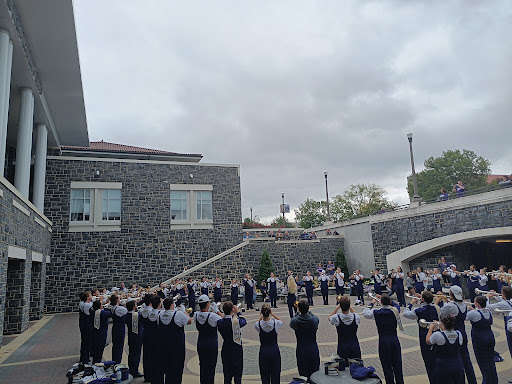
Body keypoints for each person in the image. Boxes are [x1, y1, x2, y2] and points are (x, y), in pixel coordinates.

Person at [436, 285, 477, 384]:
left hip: (454, 334)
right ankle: (472, 381)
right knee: (466, 360)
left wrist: (438, 301)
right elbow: (454, 305)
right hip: (463, 333)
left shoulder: (450, 306)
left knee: (456, 359)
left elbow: (440, 314)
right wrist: (447, 300)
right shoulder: (463, 304)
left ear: (452, 295)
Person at [362, 295, 404, 384]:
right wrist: (387, 300)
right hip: (394, 340)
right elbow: (396, 305)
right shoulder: (394, 311)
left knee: (386, 365)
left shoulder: (376, 312)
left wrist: (372, 303)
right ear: (389, 302)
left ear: (380, 302)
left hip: (383, 341)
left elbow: (365, 313)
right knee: (397, 365)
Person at [403, 291, 440, 384]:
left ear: (423, 299)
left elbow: (406, 313)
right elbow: (433, 307)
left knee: (428, 361)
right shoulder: (437, 308)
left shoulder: (418, 311)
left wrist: (411, 303)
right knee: (437, 359)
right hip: (437, 335)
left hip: (424, 336)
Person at [157, 297, 193, 384]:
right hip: (177, 347)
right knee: (177, 369)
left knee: (167, 367)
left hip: (164, 345)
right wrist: (184, 311)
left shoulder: (160, 314)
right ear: (172, 305)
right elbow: (189, 321)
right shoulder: (178, 314)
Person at [466, 296, 498, 384]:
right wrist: (472, 308)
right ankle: (494, 381)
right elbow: (479, 313)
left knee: (483, 362)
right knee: (491, 361)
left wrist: (467, 307)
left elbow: (464, 317)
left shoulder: (473, 313)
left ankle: (486, 382)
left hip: (479, 339)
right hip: (490, 337)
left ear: (477, 304)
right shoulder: (488, 311)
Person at [426, 313, 464, 384]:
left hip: (443, 366)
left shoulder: (438, 335)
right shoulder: (459, 334)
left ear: (442, 323)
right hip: (458, 364)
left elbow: (428, 341)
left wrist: (431, 328)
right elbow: (450, 335)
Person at [194, 295, 222, 384]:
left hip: (201, 343)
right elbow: (222, 319)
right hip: (211, 344)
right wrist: (217, 310)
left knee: (203, 366)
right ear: (207, 304)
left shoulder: (196, 315)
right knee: (211, 367)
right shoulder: (212, 316)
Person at [290, 299, 320, 381]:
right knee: (315, 374)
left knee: (303, 375)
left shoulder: (295, 321)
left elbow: (292, 322)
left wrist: (298, 312)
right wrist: (308, 312)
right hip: (313, 348)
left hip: (301, 349)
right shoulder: (314, 320)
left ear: (299, 309)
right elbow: (315, 318)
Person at [217, 301, 247, 384]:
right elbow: (244, 321)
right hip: (236, 349)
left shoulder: (220, 322)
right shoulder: (235, 322)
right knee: (237, 375)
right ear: (232, 310)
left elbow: (223, 319)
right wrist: (238, 312)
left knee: (227, 375)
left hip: (226, 348)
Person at [255, 304, 282, 384]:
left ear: (261, 313)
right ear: (270, 312)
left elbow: (257, 322)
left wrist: (262, 316)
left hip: (263, 350)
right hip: (274, 350)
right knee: (276, 374)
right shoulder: (275, 323)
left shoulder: (258, 324)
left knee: (264, 375)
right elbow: (280, 321)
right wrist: (272, 314)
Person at [329, 296, 361, 365]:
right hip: (354, 345)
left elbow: (329, 317)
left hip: (342, 347)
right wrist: (349, 306)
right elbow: (355, 313)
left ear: (340, 306)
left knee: (343, 368)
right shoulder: (355, 317)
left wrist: (337, 307)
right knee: (357, 367)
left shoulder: (337, 317)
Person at [487, 286, 512, 359]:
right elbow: (505, 303)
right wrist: (496, 296)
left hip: (509, 322)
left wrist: (487, 298)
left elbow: (489, 307)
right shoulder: (508, 301)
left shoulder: (505, 304)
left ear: (504, 294)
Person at [90, 299, 112, 364]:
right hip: (101, 333)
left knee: (95, 348)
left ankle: (95, 362)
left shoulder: (92, 311)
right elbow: (110, 313)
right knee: (99, 350)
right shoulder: (102, 313)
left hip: (94, 332)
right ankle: (97, 363)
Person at [125, 300, 143, 378]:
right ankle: (134, 371)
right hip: (137, 337)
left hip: (131, 336)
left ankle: (131, 369)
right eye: (136, 305)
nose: (137, 306)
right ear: (133, 307)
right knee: (136, 354)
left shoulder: (126, 315)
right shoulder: (136, 315)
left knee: (131, 354)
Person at [139, 294, 154, 382]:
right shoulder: (151, 311)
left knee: (146, 355)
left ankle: (147, 375)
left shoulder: (142, 310)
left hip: (145, 332)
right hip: (151, 333)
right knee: (152, 355)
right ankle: (151, 375)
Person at [110, 294, 128, 363]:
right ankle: (117, 362)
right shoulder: (119, 309)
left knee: (115, 346)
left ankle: (114, 361)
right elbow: (127, 310)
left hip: (115, 328)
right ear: (117, 300)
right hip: (120, 329)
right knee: (119, 347)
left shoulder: (113, 307)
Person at [78, 291, 93, 364]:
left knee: (85, 341)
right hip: (86, 324)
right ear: (87, 297)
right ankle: (85, 358)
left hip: (83, 323)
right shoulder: (87, 305)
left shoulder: (82, 303)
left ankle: (84, 357)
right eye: (90, 295)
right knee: (86, 341)